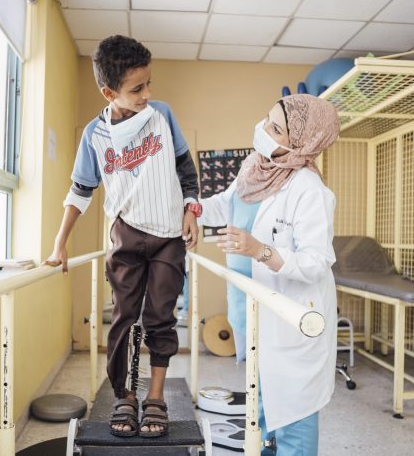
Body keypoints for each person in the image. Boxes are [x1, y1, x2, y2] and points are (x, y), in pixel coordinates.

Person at [45, 35, 201, 438]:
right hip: (126, 234)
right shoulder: (94, 137)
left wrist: (191, 208)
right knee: (124, 320)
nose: (147, 94)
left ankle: (156, 397)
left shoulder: (162, 115)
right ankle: (125, 397)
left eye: (149, 84)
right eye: (137, 89)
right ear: (108, 92)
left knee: (161, 318)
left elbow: (186, 168)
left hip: (168, 235)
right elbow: (80, 191)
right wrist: (59, 242)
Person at [198, 94, 340, 455]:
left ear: (303, 142)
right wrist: (191, 209)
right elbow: (225, 203)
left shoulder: (309, 190)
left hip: (290, 316)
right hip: (251, 307)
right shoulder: (256, 167)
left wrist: (259, 250)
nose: (264, 130)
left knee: (294, 410)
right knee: (261, 399)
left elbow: (315, 261)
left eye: (276, 128)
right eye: (267, 119)